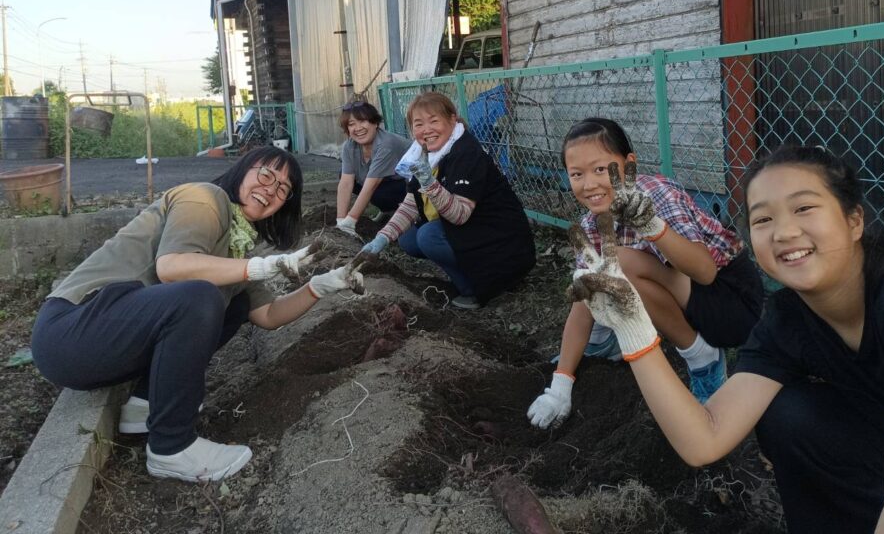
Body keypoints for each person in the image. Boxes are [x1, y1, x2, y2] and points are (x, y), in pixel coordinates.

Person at [569, 145, 884, 533]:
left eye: (804, 208)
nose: (784, 232)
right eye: (762, 219)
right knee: (789, 414)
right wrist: (635, 332)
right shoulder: (788, 319)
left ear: (855, 220)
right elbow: (703, 441)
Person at [31, 146, 367, 483]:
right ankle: (171, 447)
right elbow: (173, 267)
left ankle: (145, 405)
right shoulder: (204, 198)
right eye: (266, 174)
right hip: (69, 331)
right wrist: (260, 267)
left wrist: (320, 287)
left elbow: (268, 315)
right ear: (243, 170)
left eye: (283, 189)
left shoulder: (239, 244)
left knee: (233, 305)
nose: (271, 189)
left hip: (102, 342)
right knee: (200, 294)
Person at [528, 118, 764, 429]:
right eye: (577, 174)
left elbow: (705, 272)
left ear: (628, 166)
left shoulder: (655, 195)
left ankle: (703, 359)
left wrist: (653, 228)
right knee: (596, 271)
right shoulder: (591, 224)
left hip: (729, 302)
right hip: (684, 301)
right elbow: (583, 295)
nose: (589, 184)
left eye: (601, 170)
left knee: (618, 262)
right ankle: (602, 341)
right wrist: (560, 385)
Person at [359, 92, 535, 309]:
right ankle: (468, 273)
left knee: (428, 236)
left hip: (503, 239)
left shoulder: (466, 153)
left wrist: (430, 183)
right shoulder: (423, 153)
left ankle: (480, 287)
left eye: (434, 121)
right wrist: (382, 238)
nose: (426, 130)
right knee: (408, 239)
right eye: (419, 124)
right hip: (475, 229)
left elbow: (459, 215)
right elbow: (411, 203)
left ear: (452, 119)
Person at [335, 98, 412, 237]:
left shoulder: (385, 144)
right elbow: (346, 183)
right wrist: (340, 221)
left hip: (412, 187)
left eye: (363, 121)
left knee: (376, 192)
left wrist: (351, 221)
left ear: (375, 123)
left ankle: (404, 213)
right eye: (352, 124)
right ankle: (385, 211)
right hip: (387, 182)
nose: (358, 128)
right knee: (344, 175)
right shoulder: (349, 146)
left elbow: (371, 185)